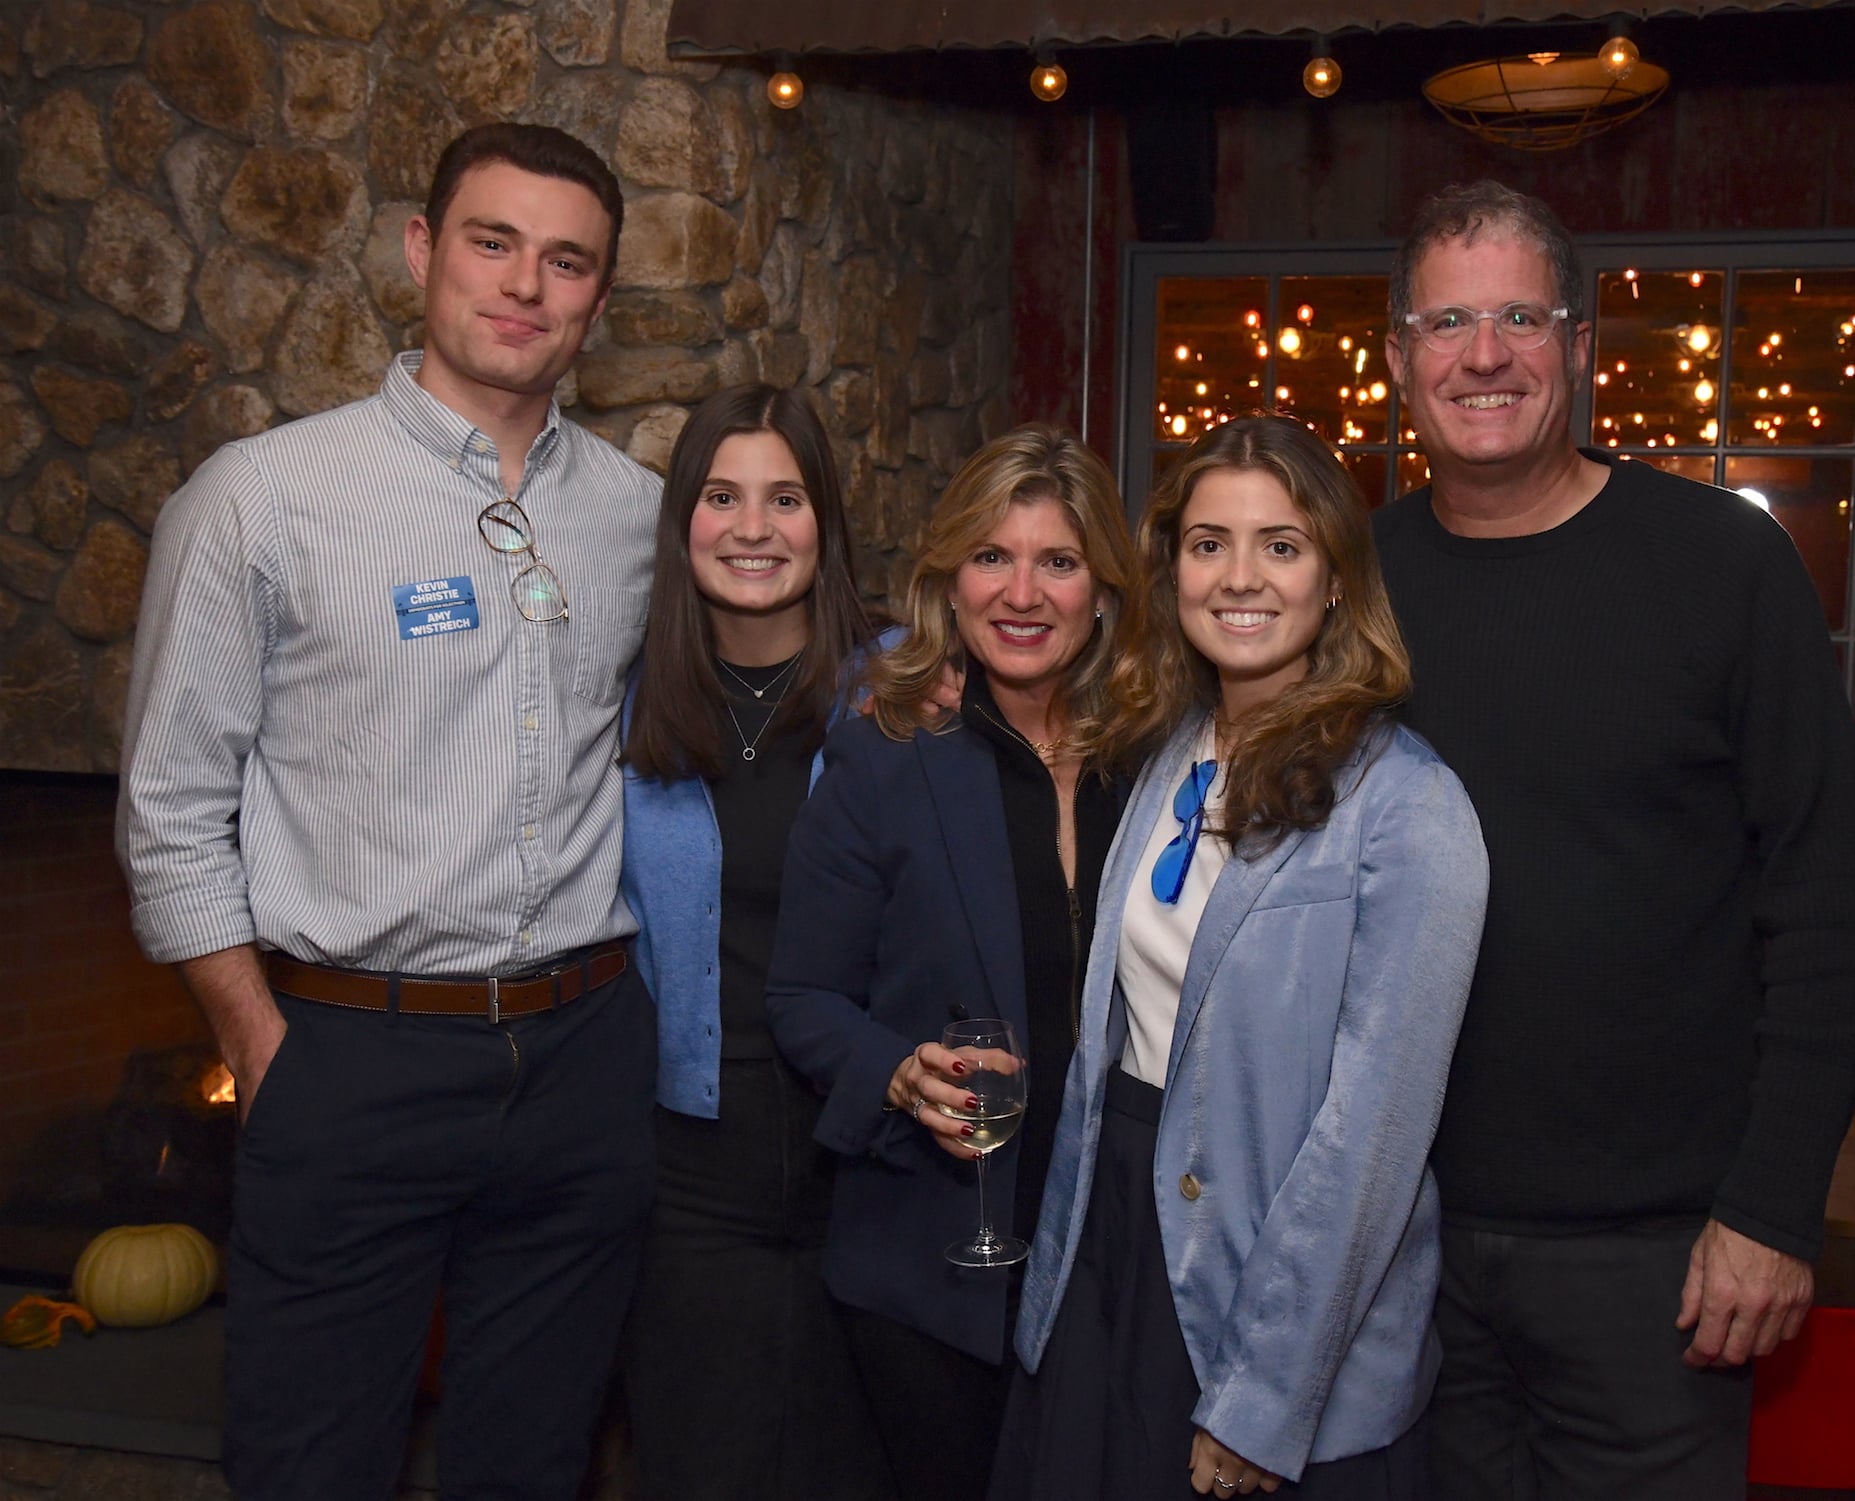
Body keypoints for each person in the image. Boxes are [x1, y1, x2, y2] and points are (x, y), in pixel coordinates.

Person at [116, 124, 660, 1501]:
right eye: (493, 242)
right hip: (348, 1057)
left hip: (586, 1060)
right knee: (312, 1462)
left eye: (566, 261)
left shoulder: (643, 518)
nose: (525, 285)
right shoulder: (264, 498)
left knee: (534, 1465)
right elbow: (172, 808)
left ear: (600, 296)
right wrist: (260, 1040)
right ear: (422, 252)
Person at [1373, 180, 1855, 1497]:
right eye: (1447, 321)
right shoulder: (1351, 580)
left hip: (1656, 1266)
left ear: (1583, 344)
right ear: (1397, 360)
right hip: (1400, 1244)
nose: (1483, 353)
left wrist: (1773, 1211)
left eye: (1519, 316)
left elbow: (1828, 906)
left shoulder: (1722, 566)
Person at [994, 414, 1487, 1500]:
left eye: (1280, 544)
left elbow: (1370, 1144)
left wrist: (1264, 1397)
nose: (1238, 576)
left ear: (1335, 580)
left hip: (1270, 1281)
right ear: (1170, 570)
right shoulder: (1173, 752)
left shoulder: (1408, 807)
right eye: (1208, 543)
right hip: (1115, 1243)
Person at [764, 424, 1136, 1499]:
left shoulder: (1157, 756)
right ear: (948, 582)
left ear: (1102, 591)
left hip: (1114, 1250)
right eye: (991, 557)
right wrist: (891, 1069)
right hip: (932, 1257)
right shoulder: (886, 750)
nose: (1021, 593)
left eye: (1057, 562)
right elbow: (801, 995)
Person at [617, 382, 888, 1500]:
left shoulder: (907, 686)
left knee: (853, 1463)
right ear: (684, 520)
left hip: (866, 1149)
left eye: (784, 498)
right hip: (688, 1159)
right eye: (721, 497)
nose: (751, 528)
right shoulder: (620, 702)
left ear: (823, 521)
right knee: (700, 1459)